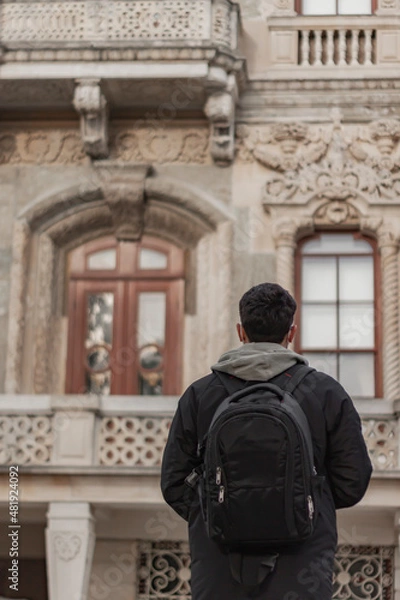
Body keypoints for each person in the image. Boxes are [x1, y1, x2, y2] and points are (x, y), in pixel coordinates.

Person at [161, 282, 372, 600]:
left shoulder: (200, 394)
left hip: (219, 563)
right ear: (292, 332)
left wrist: (214, 511)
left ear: (240, 331)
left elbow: (173, 482)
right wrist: (307, 503)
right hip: (303, 563)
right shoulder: (327, 393)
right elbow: (353, 481)